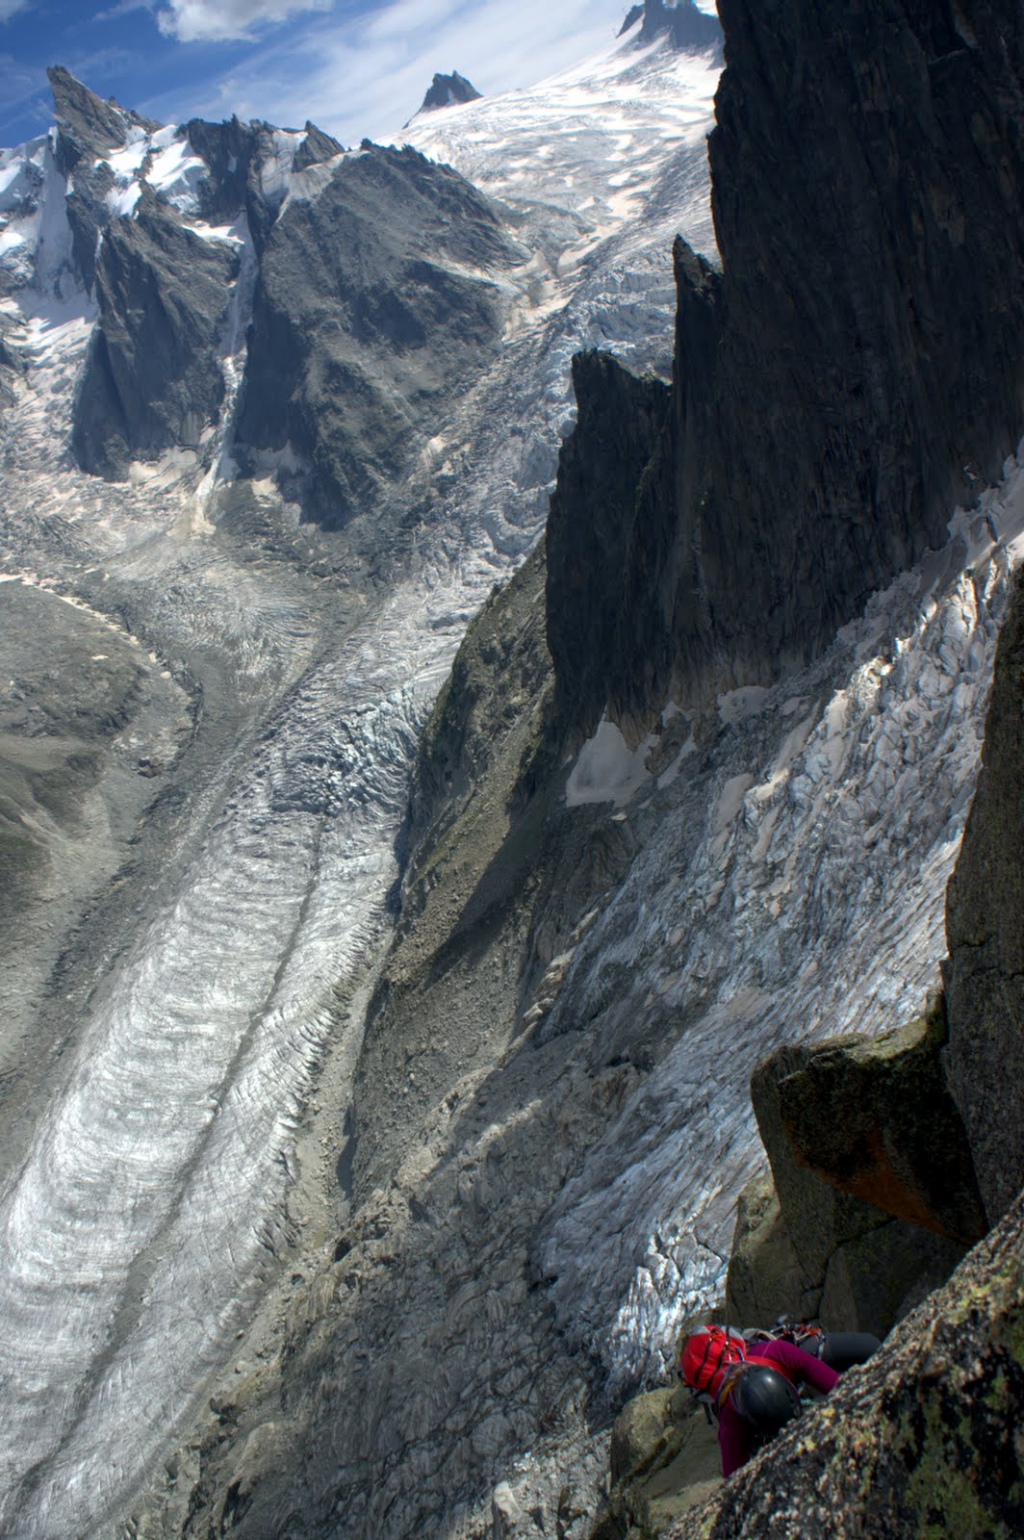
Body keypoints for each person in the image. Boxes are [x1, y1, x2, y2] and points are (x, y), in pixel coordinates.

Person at [680, 1323, 880, 1477]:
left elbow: (732, 1479)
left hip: (771, 1359)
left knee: (868, 1345)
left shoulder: (776, 1352)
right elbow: (837, 1385)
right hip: (764, 1362)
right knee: (871, 1344)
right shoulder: (731, 1421)